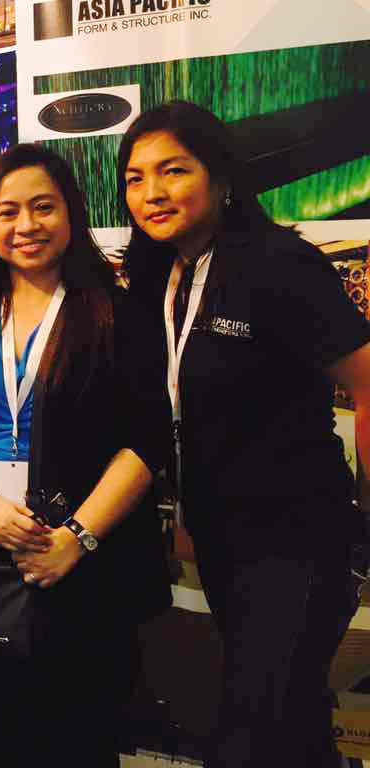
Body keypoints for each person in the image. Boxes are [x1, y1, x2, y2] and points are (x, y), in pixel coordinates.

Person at [118, 101, 370, 768]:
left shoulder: (281, 263)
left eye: (174, 170)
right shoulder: (157, 274)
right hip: (221, 539)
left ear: (222, 178)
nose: (152, 192)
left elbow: (367, 382)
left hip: (297, 538)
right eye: (136, 178)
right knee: (295, 725)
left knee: (252, 733)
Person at [0, 144, 171, 768]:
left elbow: (146, 439)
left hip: (88, 562)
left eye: (43, 207)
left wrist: (76, 538)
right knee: (7, 733)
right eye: (8, 212)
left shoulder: (116, 311)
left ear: (71, 214)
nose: (26, 225)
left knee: (85, 738)